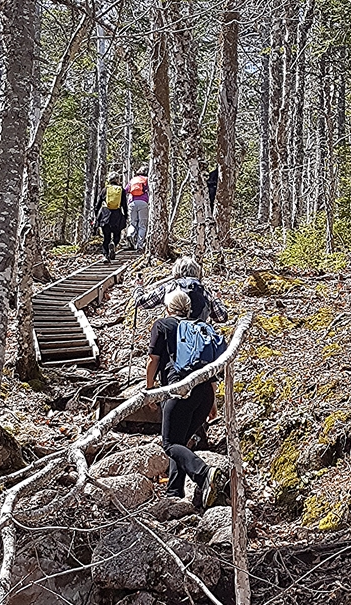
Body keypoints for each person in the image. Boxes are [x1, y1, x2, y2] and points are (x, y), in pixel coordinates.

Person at [146, 289, 227, 505]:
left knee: (170, 443)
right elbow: (208, 366)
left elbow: (153, 361)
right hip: (203, 393)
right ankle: (174, 493)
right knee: (180, 442)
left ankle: (203, 473)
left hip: (178, 391)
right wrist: (213, 400)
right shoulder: (201, 327)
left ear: (168, 308)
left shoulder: (162, 325)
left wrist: (150, 390)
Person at [134, 255, 228, 323]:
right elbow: (221, 317)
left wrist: (139, 287)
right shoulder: (204, 291)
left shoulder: (169, 288)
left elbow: (141, 303)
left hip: (173, 334)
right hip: (197, 339)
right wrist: (217, 299)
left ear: (176, 272)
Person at [95, 172, 128, 263]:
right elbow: (124, 205)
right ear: (118, 180)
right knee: (117, 235)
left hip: (105, 215)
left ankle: (106, 256)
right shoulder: (121, 190)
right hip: (117, 215)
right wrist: (125, 216)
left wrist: (96, 215)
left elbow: (97, 205)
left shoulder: (105, 189)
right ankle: (114, 244)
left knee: (106, 237)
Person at [125, 166, 149, 251]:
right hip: (143, 203)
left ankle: (130, 234)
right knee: (142, 225)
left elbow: (126, 190)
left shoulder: (133, 180)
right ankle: (140, 245)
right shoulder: (146, 180)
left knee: (133, 223)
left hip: (132, 202)